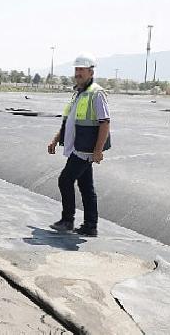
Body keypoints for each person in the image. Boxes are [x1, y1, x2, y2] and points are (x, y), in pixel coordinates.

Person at [47, 53, 111, 237]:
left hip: (85, 149)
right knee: (86, 186)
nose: (78, 73)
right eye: (76, 69)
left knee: (65, 180)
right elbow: (69, 121)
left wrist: (98, 150)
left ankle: (68, 220)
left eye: (81, 70)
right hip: (77, 146)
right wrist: (55, 140)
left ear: (91, 72)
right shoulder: (79, 93)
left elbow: (105, 122)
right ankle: (90, 226)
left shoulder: (96, 93)